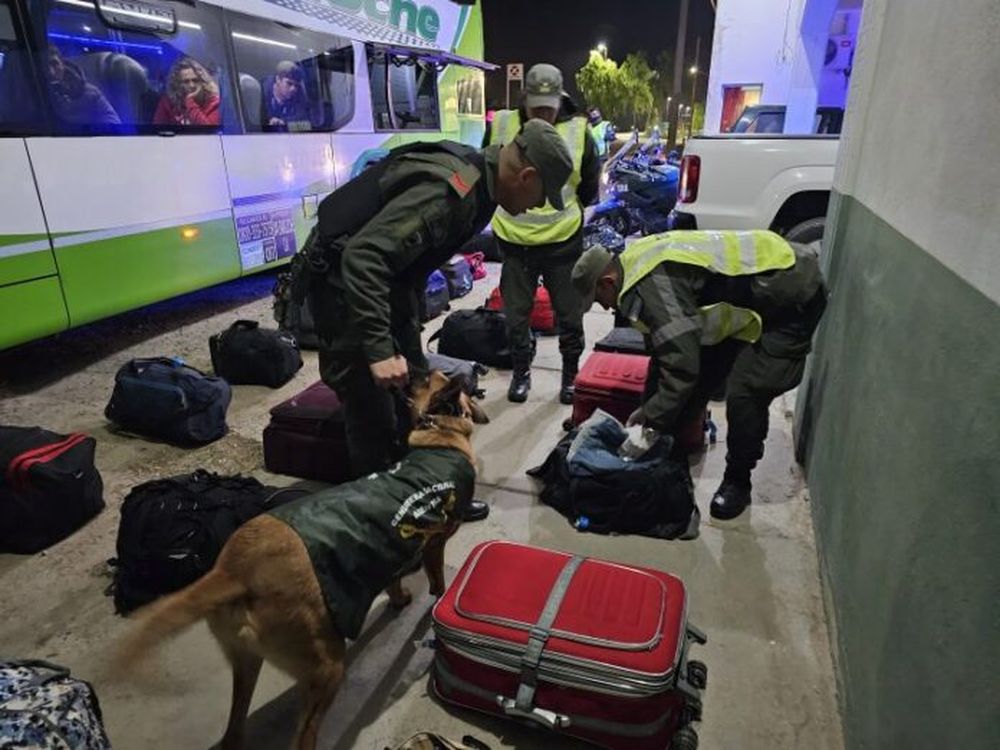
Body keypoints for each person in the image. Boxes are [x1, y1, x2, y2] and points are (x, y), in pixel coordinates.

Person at [294, 119, 573, 522]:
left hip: (384, 290)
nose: (535, 206)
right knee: (371, 413)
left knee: (411, 390)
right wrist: (378, 349)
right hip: (346, 293)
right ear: (526, 176)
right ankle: (385, 527)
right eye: (540, 196)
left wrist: (409, 344)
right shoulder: (452, 193)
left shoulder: (480, 188)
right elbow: (365, 257)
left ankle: (422, 498)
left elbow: (409, 270)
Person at [571, 231, 827, 520]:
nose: (604, 307)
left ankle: (738, 481)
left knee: (746, 392)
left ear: (608, 282)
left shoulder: (652, 286)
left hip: (791, 296)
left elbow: (681, 366)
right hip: (751, 294)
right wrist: (649, 413)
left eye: (598, 298)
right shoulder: (632, 264)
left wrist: (652, 420)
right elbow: (664, 353)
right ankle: (672, 449)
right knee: (699, 378)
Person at [484, 64, 600, 405]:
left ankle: (569, 376)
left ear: (559, 98)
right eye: (536, 108)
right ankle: (521, 372)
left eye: (548, 108)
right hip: (514, 241)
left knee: (569, 314)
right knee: (516, 315)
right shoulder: (503, 124)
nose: (542, 114)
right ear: (526, 100)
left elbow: (590, 187)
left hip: (562, 242)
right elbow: (489, 168)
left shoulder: (579, 131)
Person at [46, 47, 120, 126]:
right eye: (45, 66)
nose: (51, 72)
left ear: (62, 64)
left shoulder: (89, 92)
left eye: (55, 64)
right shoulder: (37, 98)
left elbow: (113, 121)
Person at [153, 57, 221, 127]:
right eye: (186, 82)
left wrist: (190, 102)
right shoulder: (168, 102)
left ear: (203, 82)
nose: (192, 85)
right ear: (177, 84)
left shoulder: (213, 103)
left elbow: (209, 132)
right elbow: (157, 129)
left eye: (195, 80)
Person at [262, 60, 310, 131]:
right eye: (289, 83)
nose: (293, 89)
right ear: (278, 79)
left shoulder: (299, 96)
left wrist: (284, 123)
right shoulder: (261, 93)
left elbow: (307, 126)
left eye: (296, 85)